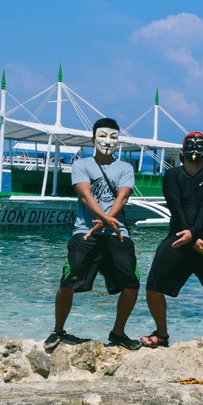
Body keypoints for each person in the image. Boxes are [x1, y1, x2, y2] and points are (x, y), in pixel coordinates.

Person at [44, 117, 141, 352]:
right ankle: (58, 330)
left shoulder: (125, 168)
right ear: (92, 139)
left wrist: (108, 220)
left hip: (118, 233)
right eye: (102, 135)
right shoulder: (81, 164)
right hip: (85, 232)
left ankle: (118, 333)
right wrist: (103, 218)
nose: (107, 141)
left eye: (113, 136)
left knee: (132, 283)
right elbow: (85, 196)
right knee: (68, 282)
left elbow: (123, 196)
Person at [139, 132, 203, 352]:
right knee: (153, 286)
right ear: (182, 153)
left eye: (200, 146)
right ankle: (162, 334)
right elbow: (175, 207)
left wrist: (193, 236)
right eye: (191, 146)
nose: (195, 150)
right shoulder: (172, 175)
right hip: (177, 235)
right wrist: (190, 237)